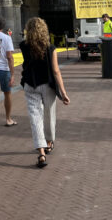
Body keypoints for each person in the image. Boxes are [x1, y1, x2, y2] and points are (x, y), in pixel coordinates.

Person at [19, 17, 70, 168]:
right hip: (48, 85)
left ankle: (41, 152)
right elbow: (56, 71)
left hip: (30, 84)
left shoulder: (23, 46)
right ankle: (49, 142)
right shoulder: (50, 48)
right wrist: (63, 92)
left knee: (35, 118)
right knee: (49, 114)